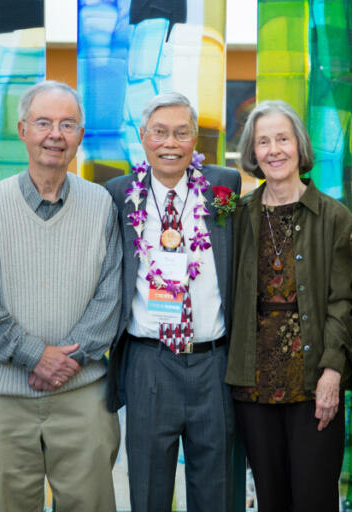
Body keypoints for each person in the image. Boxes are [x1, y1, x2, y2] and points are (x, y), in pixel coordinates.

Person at [0, 80, 121, 512]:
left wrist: (64, 362)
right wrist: (35, 356)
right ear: (23, 129)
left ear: (80, 136)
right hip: (2, 399)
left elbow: (111, 298)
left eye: (67, 124)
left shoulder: (103, 204)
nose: (55, 134)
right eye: (44, 122)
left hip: (82, 394)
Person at [105, 92, 241, 512]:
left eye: (181, 133)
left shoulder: (224, 186)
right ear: (143, 138)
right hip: (150, 362)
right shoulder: (117, 193)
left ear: (194, 139)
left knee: (216, 488)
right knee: (147, 489)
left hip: (213, 363)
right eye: (160, 132)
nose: (170, 142)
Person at [225, 100, 352, 511]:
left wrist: (333, 373)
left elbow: (342, 302)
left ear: (299, 145)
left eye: (283, 138)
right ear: (253, 152)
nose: (274, 149)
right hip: (254, 381)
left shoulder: (334, 217)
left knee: (315, 498)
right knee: (270, 499)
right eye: (263, 141)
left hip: (313, 383)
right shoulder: (237, 215)